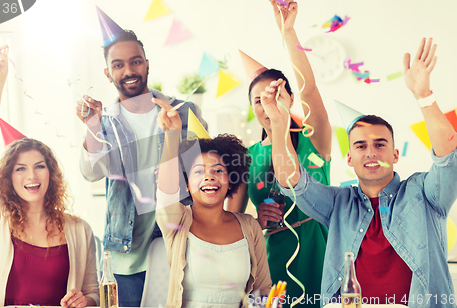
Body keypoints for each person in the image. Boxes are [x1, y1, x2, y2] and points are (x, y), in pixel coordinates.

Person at [266, 37, 457, 307]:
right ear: (349, 158)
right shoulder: (338, 204)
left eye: (380, 144)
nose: (370, 152)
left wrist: (424, 96)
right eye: (360, 145)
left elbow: (449, 156)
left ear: (394, 155)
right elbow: (291, 180)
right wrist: (279, 122)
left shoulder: (424, 194)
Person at [77, 29, 207, 307]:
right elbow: (91, 173)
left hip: (179, 245)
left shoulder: (183, 112)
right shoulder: (105, 122)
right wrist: (92, 127)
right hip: (126, 255)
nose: (128, 70)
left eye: (135, 61)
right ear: (107, 73)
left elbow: (205, 173)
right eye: (118, 65)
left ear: (147, 63)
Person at [0, 46, 99, 308]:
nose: (31, 175)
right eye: (20, 168)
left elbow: (93, 293)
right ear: (8, 177)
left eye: (39, 166)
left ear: (51, 173)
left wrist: (85, 301)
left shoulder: (79, 230)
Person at [227, 2, 329, 306]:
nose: (267, 105)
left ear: (289, 98)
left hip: (319, 253)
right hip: (270, 261)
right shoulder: (246, 156)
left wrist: (288, 32)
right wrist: (254, 221)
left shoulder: (315, 140)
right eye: (258, 100)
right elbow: (230, 219)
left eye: (274, 95)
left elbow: (309, 88)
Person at [153, 96, 272, 308]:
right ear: (187, 184)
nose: (209, 177)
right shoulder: (176, 221)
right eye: (199, 171)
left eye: (218, 170)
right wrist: (172, 136)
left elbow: (263, 291)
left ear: (230, 181)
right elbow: (166, 193)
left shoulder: (250, 227)